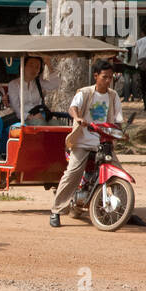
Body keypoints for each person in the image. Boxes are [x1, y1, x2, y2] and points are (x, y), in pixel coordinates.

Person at [50, 59, 123, 228]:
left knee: (118, 172)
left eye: (110, 77)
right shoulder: (84, 93)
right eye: (104, 77)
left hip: (103, 142)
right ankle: (56, 210)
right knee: (73, 173)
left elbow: (118, 118)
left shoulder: (113, 96)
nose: (108, 80)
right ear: (96, 76)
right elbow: (73, 108)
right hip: (82, 141)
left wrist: (119, 130)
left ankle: (125, 209)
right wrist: (77, 118)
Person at [5, 56, 61, 125]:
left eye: (37, 67)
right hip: (24, 119)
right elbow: (16, 108)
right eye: (31, 65)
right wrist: (29, 116)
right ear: (23, 67)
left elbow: (55, 84)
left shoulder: (38, 82)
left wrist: (49, 65)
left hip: (41, 114)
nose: (34, 69)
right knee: (39, 123)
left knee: (55, 123)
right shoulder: (14, 84)